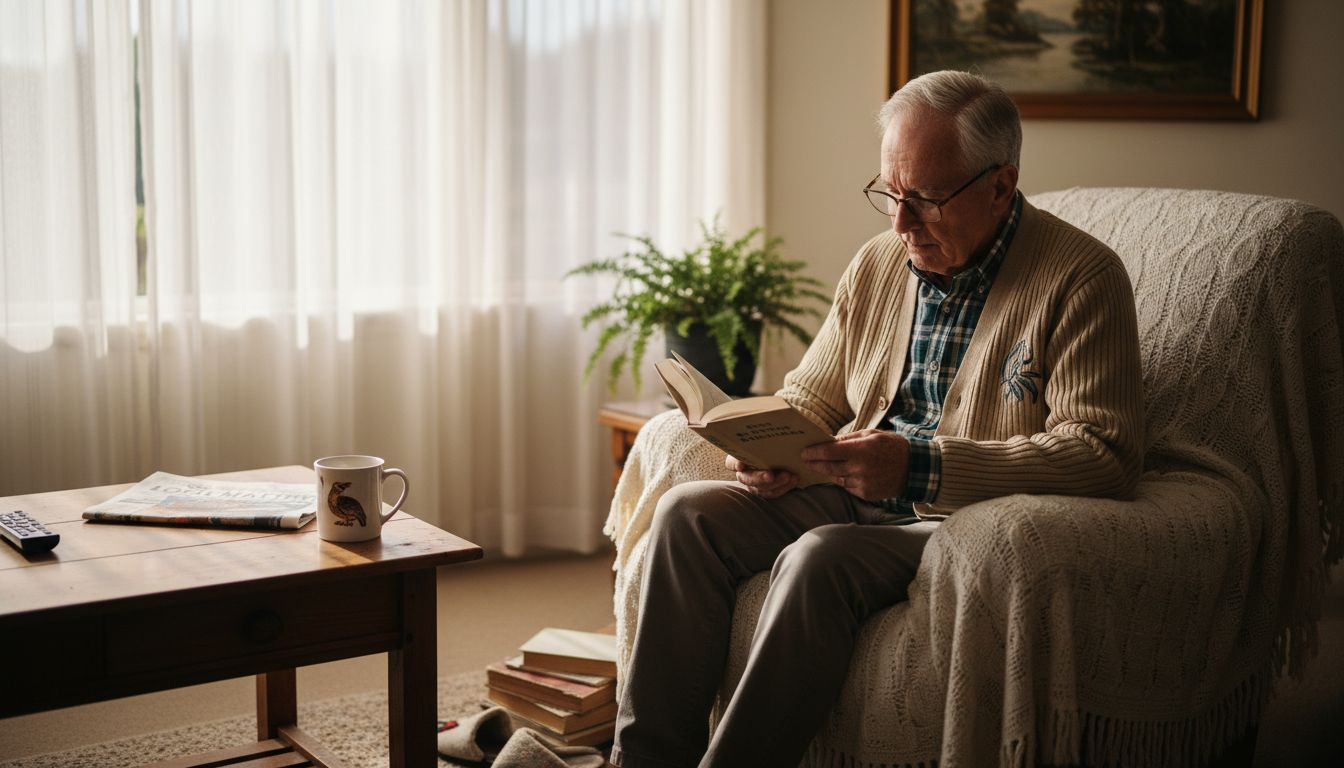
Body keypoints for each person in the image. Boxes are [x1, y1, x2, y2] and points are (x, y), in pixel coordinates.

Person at [609, 70, 1144, 768]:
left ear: (1000, 186)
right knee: (689, 514)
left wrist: (922, 464)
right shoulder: (880, 264)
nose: (899, 222)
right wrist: (765, 443)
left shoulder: (1083, 279)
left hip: (955, 523)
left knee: (819, 558)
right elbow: (813, 396)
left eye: (922, 198)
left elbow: (1104, 454)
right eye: (890, 193)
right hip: (852, 490)